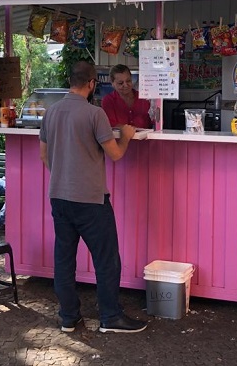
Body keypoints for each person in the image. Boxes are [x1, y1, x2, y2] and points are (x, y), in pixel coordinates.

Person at [39, 61, 147, 334]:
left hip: (58, 197)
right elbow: (116, 154)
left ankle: (68, 317)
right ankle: (110, 317)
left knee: (64, 259)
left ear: (70, 81)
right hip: (90, 199)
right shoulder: (94, 113)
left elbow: (44, 156)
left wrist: (64, 176)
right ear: (91, 83)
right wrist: (127, 136)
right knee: (106, 259)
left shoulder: (50, 112)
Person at [101, 64, 153, 129]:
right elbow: (110, 124)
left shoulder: (144, 98)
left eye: (128, 81)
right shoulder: (108, 100)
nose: (125, 85)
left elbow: (153, 122)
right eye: (120, 83)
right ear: (112, 83)